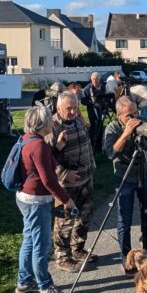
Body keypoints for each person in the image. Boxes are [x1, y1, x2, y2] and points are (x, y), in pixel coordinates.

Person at [15, 105, 76, 293]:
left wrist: (56, 148)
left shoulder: (28, 139)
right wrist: (66, 200)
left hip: (24, 196)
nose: (52, 121)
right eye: (49, 119)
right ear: (43, 124)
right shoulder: (38, 145)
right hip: (36, 200)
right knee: (41, 244)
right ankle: (45, 287)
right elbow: (48, 179)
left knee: (30, 240)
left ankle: (24, 281)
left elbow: (41, 161)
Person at [103, 96, 147, 262]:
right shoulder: (112, 128)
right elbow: (110, 153)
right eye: (129, 115)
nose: (134, 118)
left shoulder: (142, 121)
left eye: (136, 113)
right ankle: (125, 256)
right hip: (124, 176)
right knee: (124, 218)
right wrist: (126, 133)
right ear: (119, 115)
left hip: (143, 172)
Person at [48, 91, 96, 272]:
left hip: (86, 179)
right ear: (58, 108)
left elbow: (88, 145)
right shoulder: (52, 126)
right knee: (65, 221)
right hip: (65, 186)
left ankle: (78, 249)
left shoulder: (78, 120)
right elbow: (46, 157)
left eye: (75, 107)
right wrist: (63, 173)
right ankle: (63, 257)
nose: (73, 112)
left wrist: (91, 165)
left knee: (85, 216)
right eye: (68, 108)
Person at [81, 71, 105, 151]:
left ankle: (99, 147)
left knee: (100, 127)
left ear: (99, 79)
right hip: (92, 111)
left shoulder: (103, 87)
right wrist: (93, 104)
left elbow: (105, 97)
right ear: (91, 79)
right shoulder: (88, 88)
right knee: (93, 128)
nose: (94, 81)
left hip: (101, 111)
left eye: (96, 79)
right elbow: (83, 101)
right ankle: (92, 146)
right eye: (93, 79)